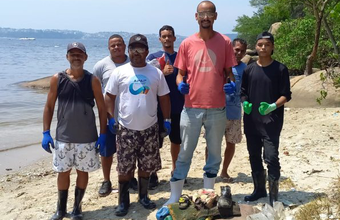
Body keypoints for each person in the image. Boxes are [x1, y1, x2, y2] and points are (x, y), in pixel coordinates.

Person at [164, 1, 237, 206]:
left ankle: (209, 193)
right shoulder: (187, 44)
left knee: (214, 153)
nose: (206, 17)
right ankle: (174, 196)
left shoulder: (225, 42)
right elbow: (180, 75)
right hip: (191, 107)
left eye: (209, 13)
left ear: (215, 16)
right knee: (185, 152)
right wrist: (180, 86)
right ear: (196, 17)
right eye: (202, 13)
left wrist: (231, 84)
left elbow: (229, 73)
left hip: (217, 108)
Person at [105, 34, 171, 216]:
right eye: (133, 48)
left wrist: (167, 120)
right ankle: (123, 201)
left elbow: (164, 97)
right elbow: (109, 97)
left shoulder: (155, 73)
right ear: (129, 51)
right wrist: (111, 118)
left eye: (140, 48)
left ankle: (143, 196)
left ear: (147, 52)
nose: (136, 52)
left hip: (150, 128)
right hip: (125, 129)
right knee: (125, 168)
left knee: (146, 167)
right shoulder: (119, 72)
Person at [42, 42, 107, 220]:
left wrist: (103, 134)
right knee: (63, 173)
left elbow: (102, 109)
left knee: (82, 172)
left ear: (85, 57)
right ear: (67, 57)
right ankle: (60, 210)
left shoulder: (92, 80)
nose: (76, 57)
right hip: (63, 136)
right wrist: (45, 132)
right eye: (72, 54)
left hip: (87, 137)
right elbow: (48, 106)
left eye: (80, 54)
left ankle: (77, 208)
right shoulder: (58, 78)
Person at [241, 31, 291, 206]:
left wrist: (272, 106)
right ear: (256, 47)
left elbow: (286, 95)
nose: (263, 47)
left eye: (267, 45)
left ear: (272, 47)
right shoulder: (249, 69)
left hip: (271, 121)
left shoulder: (280, 69)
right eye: (260, 44)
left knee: (271, 157)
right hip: (251, 122)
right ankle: (259, 189)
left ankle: (274, 195)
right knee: (254, 155)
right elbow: (243, 93)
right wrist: (245, 103)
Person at [93, 34, 133, 197]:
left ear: (124, 46)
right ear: (108, 48)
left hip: (129, 116)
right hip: (108, 116)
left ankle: (130, 178)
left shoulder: (133, 63)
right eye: (113, 46)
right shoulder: (101, 65)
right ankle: (106, 180)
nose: (116, 48)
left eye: (119, 45)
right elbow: (95, 91)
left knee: (130, 150)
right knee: (107, 150)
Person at [146, 25, 185, 189]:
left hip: (177, 106)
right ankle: (152, 173)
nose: (167, 39)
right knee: (154, 142)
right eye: (164, 36)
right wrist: (162, 71)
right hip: (157, 108)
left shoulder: (181, 57)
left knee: (176, 141)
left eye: (170, 36)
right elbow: (145, 79)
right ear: (160, 39)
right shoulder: (152, 57)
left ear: (174, 38)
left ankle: (175, 170)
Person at [220, 38, 248, 182]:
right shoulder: (221, 64)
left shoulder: (245, 69)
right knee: (212, 144)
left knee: (231, 143)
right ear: (231, 48)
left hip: (235, 112)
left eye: (242, 51)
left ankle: (224, 171)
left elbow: (247, 90)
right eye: (236, 49)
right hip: (217, 111)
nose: (239, 53)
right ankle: (209, 171)